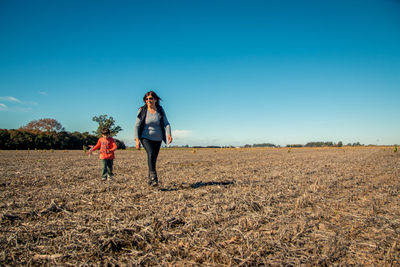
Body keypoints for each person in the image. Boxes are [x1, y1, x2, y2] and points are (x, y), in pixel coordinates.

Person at [134, 91, 172, 186]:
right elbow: (136, 126)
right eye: (146, 99)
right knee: (150, 154)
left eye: (150, 98)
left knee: (153, 158)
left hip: (158, 138)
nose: (148, 100)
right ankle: (154, 177)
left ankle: (150, 180)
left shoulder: (160, 110)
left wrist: (169, 134)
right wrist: (137, 140)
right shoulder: (142, 110)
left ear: (155, 99)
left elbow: (167, 123)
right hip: (145, 137)